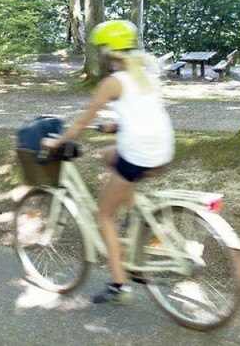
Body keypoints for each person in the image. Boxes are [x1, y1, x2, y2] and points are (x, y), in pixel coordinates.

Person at [41, 20, 174, 305]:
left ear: (107, 51)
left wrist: (56, 141)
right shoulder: (145, 73)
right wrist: (114, 127)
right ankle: (138, 226)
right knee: (108, 156)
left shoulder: (112, 82)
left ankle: (118, 284)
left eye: (101, 49)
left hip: (139, 153)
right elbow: (143, 112)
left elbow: (82, 122)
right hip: (162, 149)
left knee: (104, 215)